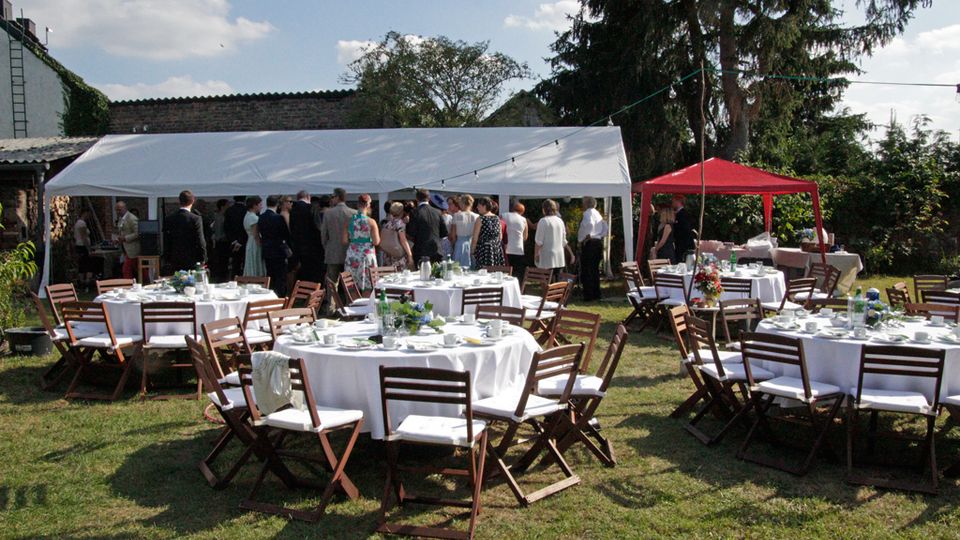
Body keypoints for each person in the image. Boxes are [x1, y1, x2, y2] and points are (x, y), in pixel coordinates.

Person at [342, 194, 380, 291]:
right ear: (368, 205)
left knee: (352, 286)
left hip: (352, 255)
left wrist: (355, 240)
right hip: (366, 255)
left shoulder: (348, 221)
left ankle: (353, 304)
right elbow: (376, 242)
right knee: (368, 285)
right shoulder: (371, 222)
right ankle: (366, 304)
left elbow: (344, 241)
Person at [162, 190, 207, 272]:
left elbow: (167, 239)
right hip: (192, 257)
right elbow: (200, 240)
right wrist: (203, 257)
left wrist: (167, 257)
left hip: (174, 256)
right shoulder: (195, 219)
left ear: (179, 201)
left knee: (177, 281)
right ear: (193, 201)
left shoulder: (170, 218)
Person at [321, 187, 357, 286]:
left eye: (332, 197)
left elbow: (324, 234)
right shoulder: (354, 213)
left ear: (337, 197)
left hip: (332, 251)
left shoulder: (328, 213)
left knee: (332, 282)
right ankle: (349, 300)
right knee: (349, 281)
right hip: (350, 251)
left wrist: (326, 247)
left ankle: (332, 301)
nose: (331, 199)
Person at [258, 195, 292, 297]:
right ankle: (280, 296)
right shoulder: (278, 218)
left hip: (267, 249)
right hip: (278, 250)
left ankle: (270, 295)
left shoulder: (261, 217)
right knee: (280, 276)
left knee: (270, 275)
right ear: (277, 204)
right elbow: (286, 234)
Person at [578, 196, 608, 301]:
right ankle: (596, 293)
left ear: (586, 204)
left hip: (590, 242)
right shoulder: (597, 213)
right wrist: (600, 234)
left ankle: (589, 295)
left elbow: (589, 224)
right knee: (595, 269)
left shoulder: (587, 213)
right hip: (598, 242)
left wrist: (587, 235)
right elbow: (605, 227)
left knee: (587, 269)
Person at [290, 190, 324, 283]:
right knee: (313, 272)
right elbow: (317, 227)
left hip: (298, 246)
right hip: (312, 246)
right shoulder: (311, 208)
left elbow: (292, 228)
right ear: (308, 197)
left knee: (303, 272)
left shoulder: (293, 210)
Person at [406, 188, 447, 264]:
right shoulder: (437, 212)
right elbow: (444, 233)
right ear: (429, 198)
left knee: (422, 274)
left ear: (417, 199)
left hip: (421, 250)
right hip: (436, 249)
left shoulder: (414, 212)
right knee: (437, 275)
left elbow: (411, 232)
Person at [535, 199, 572, 277]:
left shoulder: (543, 221)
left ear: (543, 209)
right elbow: (563, 241)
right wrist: (571, 254)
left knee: (546, 281)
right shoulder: (560, 221)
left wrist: (536, 255)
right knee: (556, 283)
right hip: (559, 256)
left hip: (547, 256)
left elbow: (539, 241)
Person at [471, 197, 505, 268]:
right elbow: (500, 236)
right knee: (495, 272)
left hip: (484, 249)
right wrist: (495, 245)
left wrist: (472, 251)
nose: (477, 207)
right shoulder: (497, 218)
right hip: (496, 248)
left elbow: (475, 238)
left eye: (479, 205)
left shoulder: (480, 219)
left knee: (483, 273)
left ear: (484, 206)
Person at [380, 202, 413, 269]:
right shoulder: (400, 223)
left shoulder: (388, 223)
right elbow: (403, 240)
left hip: (388, 254)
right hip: (397, 255)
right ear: (401, 211)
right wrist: (410, 255)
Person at [449, 194, 477, 269]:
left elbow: (453, 234)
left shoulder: (456, 215)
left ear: (462, 203)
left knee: (458, 267)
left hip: (460, 243)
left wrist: (453, 244)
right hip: (472, 243)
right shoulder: (476, 216)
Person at [114, 200, 140, 280]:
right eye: (117, 210)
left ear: (125, 208)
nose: (118, 212)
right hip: (125, 249)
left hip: (133, 249)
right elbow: (122, 231)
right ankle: (144, 281)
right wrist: (118, 239)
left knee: (126, 269)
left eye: (119, 209)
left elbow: (138, 233)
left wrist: (125, 238)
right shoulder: (121, 219)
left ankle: (128, 285)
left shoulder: (132, 218)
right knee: (136, 267)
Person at [224, 195, 248, 278]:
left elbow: (226, 228)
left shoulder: (229, 210)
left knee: (235, 264)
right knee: (245, 263)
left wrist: (234, 240)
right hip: (245, 241)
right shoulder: (247, 210)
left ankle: (234, 279)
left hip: (233, 241)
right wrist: (241, 241)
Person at [242, 196, 266, 278]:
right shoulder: (253, 217)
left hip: (250, 241)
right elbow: (256, 234)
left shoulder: (247, 215)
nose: (261, 206)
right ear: (254, 205)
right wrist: (260, 245)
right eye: (260, 205)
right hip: (254, 243)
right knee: (256, 262)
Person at [74, 209, 98, 291]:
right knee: (88, 265)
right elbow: (84, 237)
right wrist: (89, 249)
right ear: (85, 213)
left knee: (82, 265)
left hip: (79, 246)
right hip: (83, 246)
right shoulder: (82, 223)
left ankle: (82, 283)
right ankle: (86, 283)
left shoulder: (79, 223)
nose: (89, 216)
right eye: (88, 214)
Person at [504, 201, 529, 280]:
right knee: (517, 272)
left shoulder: (504, 215)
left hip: (507, 247)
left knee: (506, 271)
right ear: (522, 212)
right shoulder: (523, 219)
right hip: (518, 249)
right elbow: (525, 236)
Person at [210, 199, 230, 282]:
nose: (228, 206)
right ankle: (221, 278)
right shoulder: (220, 217)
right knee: (222, 261)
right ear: (222, 206)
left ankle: (221, 277)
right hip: (222, 241)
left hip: (220, 241)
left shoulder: (218, 216)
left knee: (222, 261)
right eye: (227, 205)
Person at [672, 194, 694, 264]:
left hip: (683, 246)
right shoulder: (680, 214)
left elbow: (685, 230)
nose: (672, 204)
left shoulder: (683, 214)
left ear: (678, 202)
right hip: (681, 245)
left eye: (673, 202)